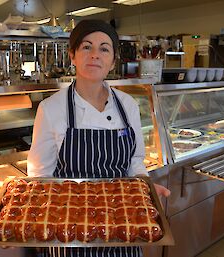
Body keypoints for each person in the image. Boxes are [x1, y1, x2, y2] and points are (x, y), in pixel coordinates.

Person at [27, 19, 170, 257]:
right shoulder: (51, 108)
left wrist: (145, 192)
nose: (95, 54)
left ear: (113, 60)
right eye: (86, 47)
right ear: (72, 55)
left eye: (104, 48)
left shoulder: (128, 105)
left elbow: (135, 162)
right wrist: (28, 217)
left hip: (122, 226)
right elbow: (41, 178)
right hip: (69, 230)